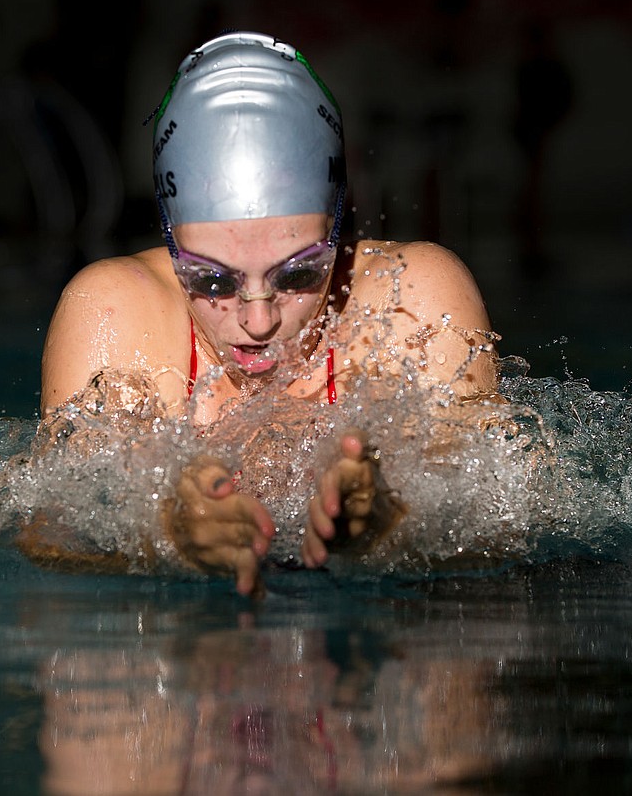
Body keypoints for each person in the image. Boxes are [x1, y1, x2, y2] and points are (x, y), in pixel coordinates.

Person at [33, 32, 497, 596]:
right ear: (167, 234)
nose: (258, 323)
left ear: (339, 223)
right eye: (212, 280)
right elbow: (50, 537)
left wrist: (394, 524)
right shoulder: (113, 311)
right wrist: (165, 535)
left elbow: (503, 527)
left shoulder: (415, 297)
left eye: (299, 274)